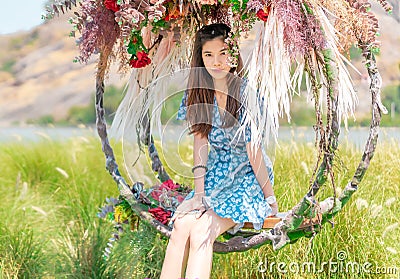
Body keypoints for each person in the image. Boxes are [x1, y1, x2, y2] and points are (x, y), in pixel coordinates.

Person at [160, 23, 278, 279]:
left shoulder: (246, 94)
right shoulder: (198, 93)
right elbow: (200, 144)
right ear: (200, 59)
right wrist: (199, 194)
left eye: (223, 53)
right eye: (208, 55)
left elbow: (253, 150)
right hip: (214, 175)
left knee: (202, 231)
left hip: (246, 177)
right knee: (182, 226)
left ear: (233, 54)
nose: (216, 62)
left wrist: (269, 198)